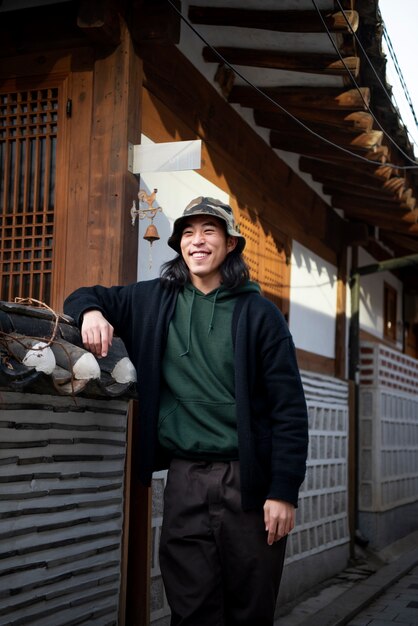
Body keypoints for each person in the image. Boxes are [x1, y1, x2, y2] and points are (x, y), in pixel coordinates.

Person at [64, 196, 309, 626]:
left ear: (230, 244)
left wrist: (283, 491)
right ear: (180, 245)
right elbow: (84, 294)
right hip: (185, 479)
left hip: (248, 481)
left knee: (250, 609)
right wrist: (91, 313)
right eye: (189, 233)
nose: (198, 241)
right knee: (190, 607)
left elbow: (289, 409)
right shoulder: (155, 300)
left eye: (210, 231)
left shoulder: (260, 315)